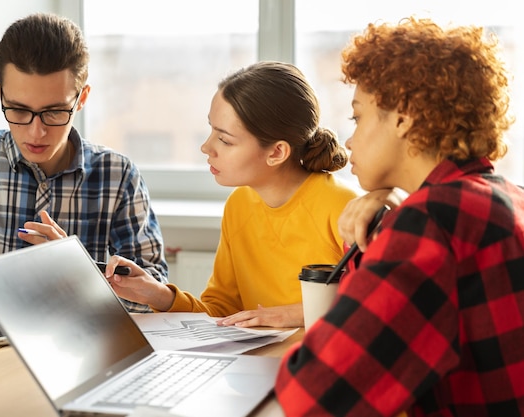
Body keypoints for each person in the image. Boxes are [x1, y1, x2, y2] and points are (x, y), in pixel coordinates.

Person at [275, 16, 524, 416]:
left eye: (358, 117)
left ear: (404, 117)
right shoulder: (505, 198)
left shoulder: (434, 222)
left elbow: (314, 394)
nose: (350, 139)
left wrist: (407, 216)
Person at [0, 13, 167, 313]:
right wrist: (48, 294)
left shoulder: (118, 177)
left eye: (55, 112)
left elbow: (151, 297)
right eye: (18, 110)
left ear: (81, 99)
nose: (36, 132)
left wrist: (75, 273)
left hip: (78, 349)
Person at [89, 61, 359, 328]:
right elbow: (222, 312)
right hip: (260, 363)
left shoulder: (344, 207)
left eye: (225, 140)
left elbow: (378, 306)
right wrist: (159, 295)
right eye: (211, 130)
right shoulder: (240, 204)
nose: (207, 147)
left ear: (276, 152)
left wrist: (295, 314)